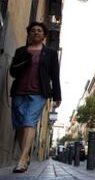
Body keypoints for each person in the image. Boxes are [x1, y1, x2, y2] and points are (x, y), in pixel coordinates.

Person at [9, 22, 61, 173]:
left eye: (39, 31)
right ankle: (25, 157)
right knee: (19, 125)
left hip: (38, 93)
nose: (36, 32)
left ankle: (21, 159)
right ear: (29, 34)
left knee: (29, 121)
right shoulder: (21, 51)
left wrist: (57, 95)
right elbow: (13, 72)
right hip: (19, 91)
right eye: (33, 31)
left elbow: (55, 76)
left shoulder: (50, 53)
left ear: (44, 35)